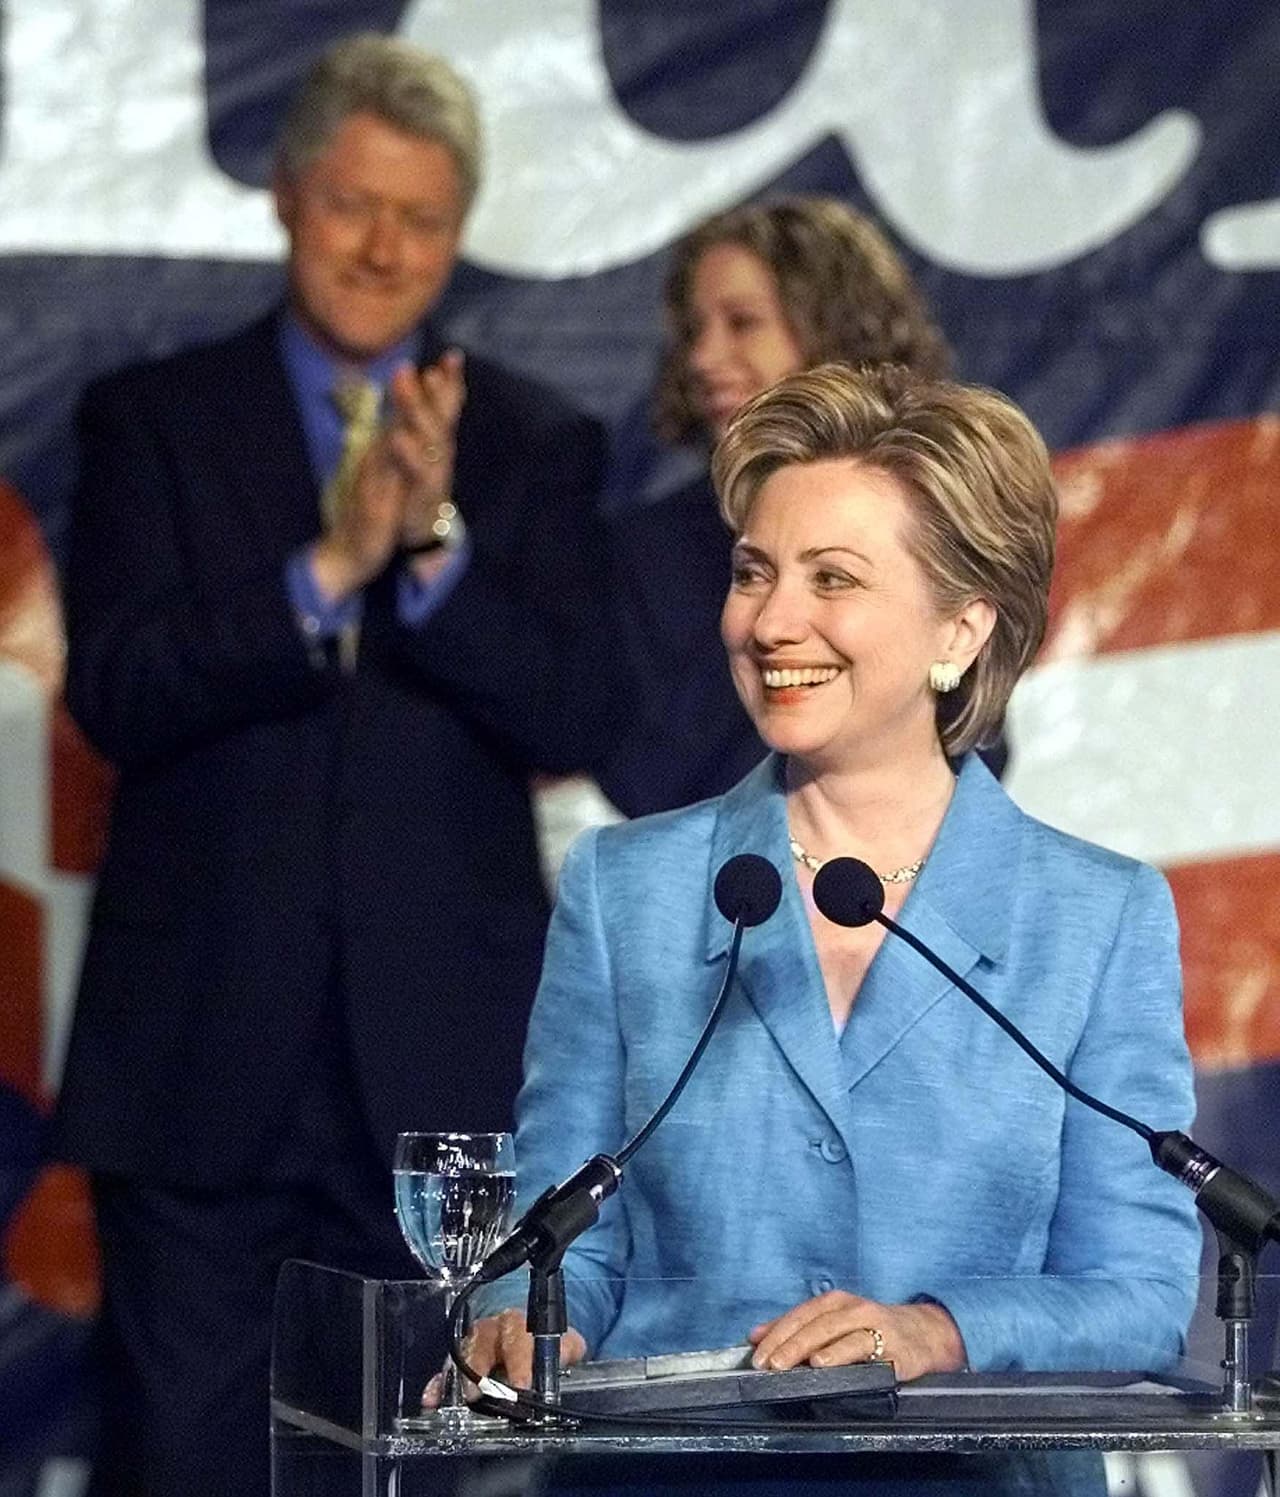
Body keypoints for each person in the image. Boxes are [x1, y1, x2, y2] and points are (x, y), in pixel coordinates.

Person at [52, 33, 625, 1497]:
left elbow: (579, 710)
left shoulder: (532, 444)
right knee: (182, 1462)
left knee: (436, 1471)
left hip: (439, 1085)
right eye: (355, 206)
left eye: (421, 218)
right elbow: (118, 688)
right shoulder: (153, 423)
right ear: (288, 200)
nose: (384, 248)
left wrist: (429, 551)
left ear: (456, 235)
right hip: (200, 1062)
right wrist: (331, 563)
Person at [468, 364, 1202, 1495]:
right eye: (752, 573)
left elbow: (1140, 1292)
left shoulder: (1093, 918)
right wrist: (527, 1319)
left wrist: (938, 1330)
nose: (770, 621)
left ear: (958, 630)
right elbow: (562, 1236)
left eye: (831, 579)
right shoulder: (627, 892)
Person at [600, 196, 994, 818]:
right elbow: (643, 778)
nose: (703, 359)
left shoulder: (931, 517)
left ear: (834, 330)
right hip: (723, 898)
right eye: (694, 331)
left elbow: (977, 735)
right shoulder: (648, 550)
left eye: (743, 322)